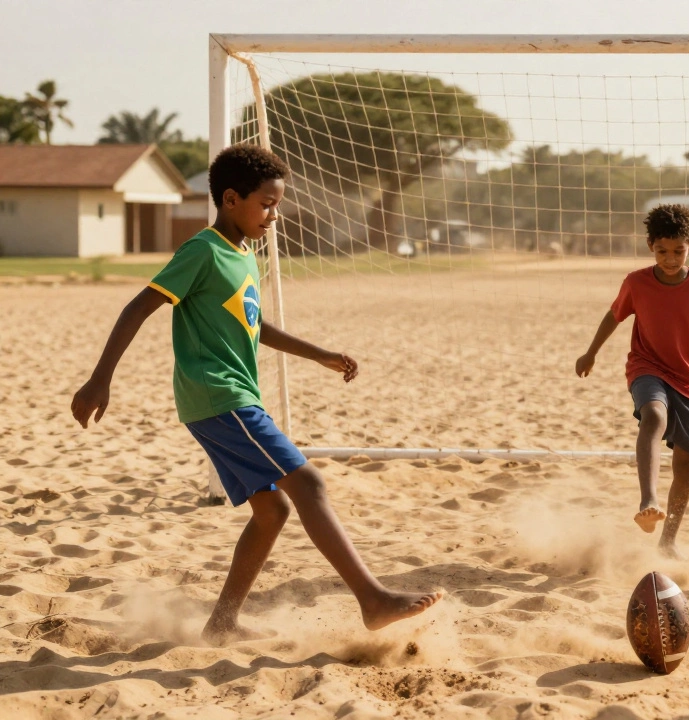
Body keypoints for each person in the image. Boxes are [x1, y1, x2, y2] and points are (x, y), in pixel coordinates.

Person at [71, 144, 442, 645]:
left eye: (278, 205)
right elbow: (140, 306)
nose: (274, 214)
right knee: (308, 485)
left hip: (230, 398)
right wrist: (101, 378)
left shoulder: (245, 255)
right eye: (266, 204)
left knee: (274, 511)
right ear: (230, 199)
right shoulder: (202, 250)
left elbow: (254, 324)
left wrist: (319, 354)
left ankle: (222, 623)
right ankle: (372, 600)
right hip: (218, 396)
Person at [575, 204, 689, 558]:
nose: (669, 259)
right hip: (646, 366)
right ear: (649, 246)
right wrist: (591, 351)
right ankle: (648, 500)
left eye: (677, 251)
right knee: (654, 416)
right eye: (661, 251)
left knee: (686, 461)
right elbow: (614, 316)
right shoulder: (636, 282)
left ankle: (669, 540)